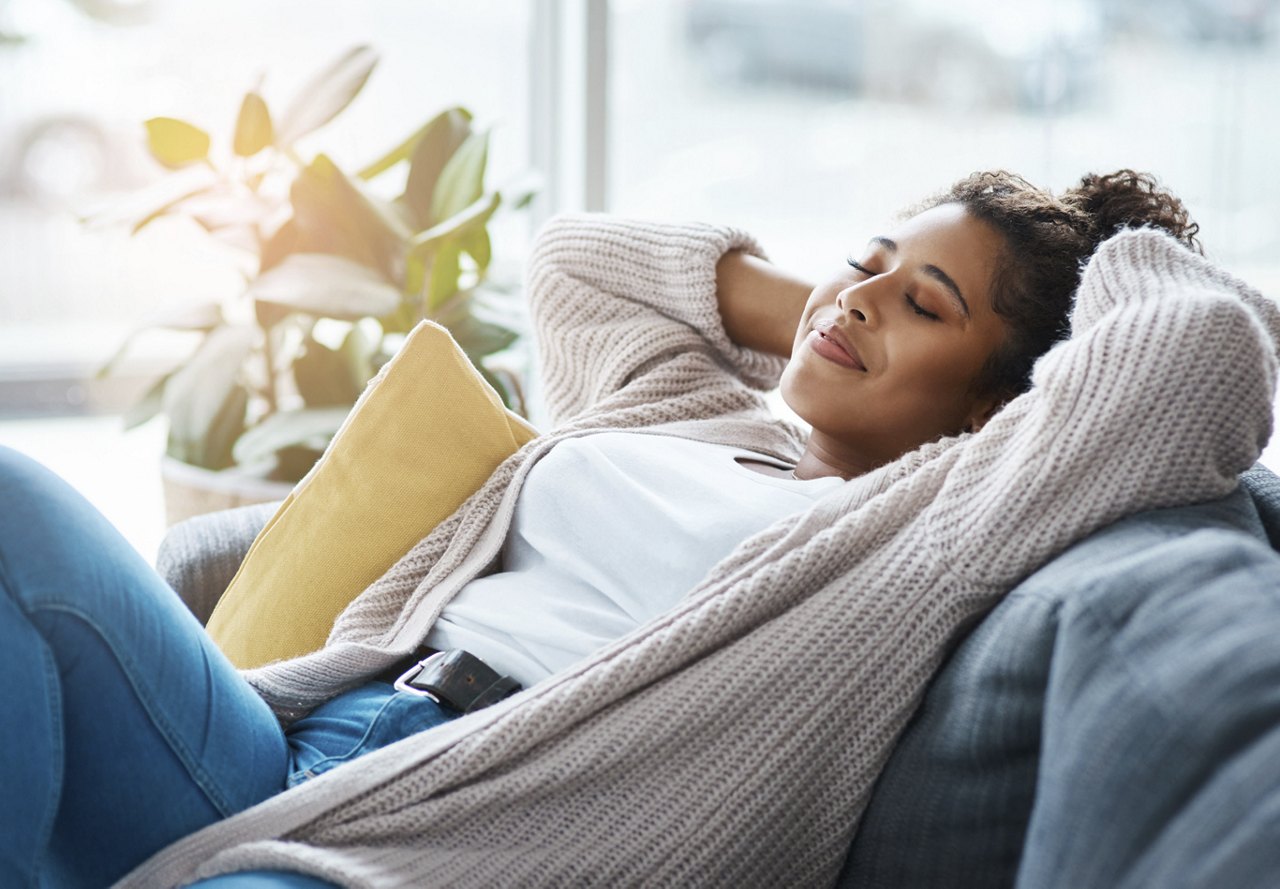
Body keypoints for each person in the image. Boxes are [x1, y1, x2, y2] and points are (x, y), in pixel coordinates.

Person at [1, 170, 1270, 888]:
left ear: (1003, 402)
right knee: (18, 507)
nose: (863, 291)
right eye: (866, 255)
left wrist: (1096, 248)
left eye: (924, 304)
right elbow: (579, 259)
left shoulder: (923, 527)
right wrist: (854, 304)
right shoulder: (685, 406)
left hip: (451, 848)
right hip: (288, 745)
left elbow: (1201, 354)